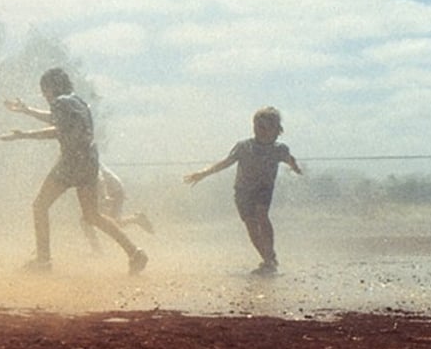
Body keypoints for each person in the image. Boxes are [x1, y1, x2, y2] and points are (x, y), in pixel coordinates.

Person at [1, 67, 148, 274]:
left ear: (51, 87)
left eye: (44, 91)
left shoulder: (60, 102)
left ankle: (43, 262)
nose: (45, 96)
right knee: (92, 215)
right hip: (89, 162)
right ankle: (135, 253)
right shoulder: (77, 101)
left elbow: (58, 130)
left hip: (71, 163)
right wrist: (28, 111)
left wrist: (24, 134)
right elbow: (57, 120)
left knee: (40, 206)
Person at [184, 106, 302, 275]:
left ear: (276, 130)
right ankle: (268, 259)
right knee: (251, 225)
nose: (259, 131)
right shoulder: (244, 147)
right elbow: (225, 162)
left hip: (264, 188)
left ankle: (269, 259)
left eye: (264, 128)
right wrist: (203, 173)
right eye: (256, 127)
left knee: (262, 214)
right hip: (243, 191)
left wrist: (296, 168)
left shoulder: (279, 149)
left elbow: (290, 159)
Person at [81, 166, 155, 250]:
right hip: (112, 190)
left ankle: (97, 250)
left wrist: (104, 196)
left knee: (88, 219)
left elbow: (100, 178)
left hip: (114, 191)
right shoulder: (83, 159)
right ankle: (136, 219)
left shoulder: (84, 161)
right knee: (108, 221)